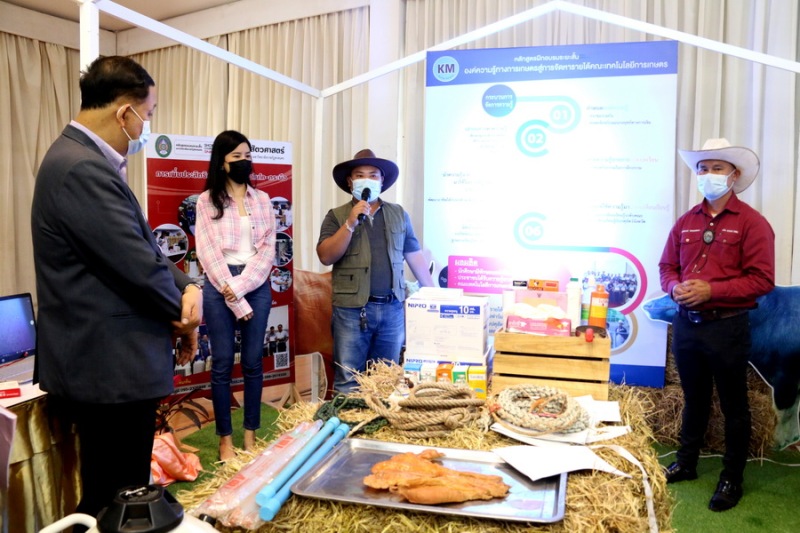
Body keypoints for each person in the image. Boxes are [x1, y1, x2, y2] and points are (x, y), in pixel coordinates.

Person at [30, 56, 202, 525]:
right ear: (124, 112)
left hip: (112, 365)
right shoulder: (79, 169)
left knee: (123, 494)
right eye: (148, 115)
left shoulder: (87, 162)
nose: (147, 126)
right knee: (115, 502)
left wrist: (188, 287)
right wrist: (186, 312)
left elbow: (144, 247)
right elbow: (136, 268)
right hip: (108, 367)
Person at [659, 138, 775, 512]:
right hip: (687, 325)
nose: (708, 175)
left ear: (734, 175)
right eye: (703, 169)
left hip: (727, 328)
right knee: (694, 398)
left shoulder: (753, 223)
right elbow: (667, 267)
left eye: (717, 168)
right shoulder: (685, 222)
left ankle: (732, 478)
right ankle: (687, 462)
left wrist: (712, 290)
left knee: (734, 405)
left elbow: (762, 279)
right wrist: (674, 288)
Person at [317, 149, 435, 393]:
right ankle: (348, 417)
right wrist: (350, 223)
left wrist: (434, 293)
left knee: (386, 379)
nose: (366, 180)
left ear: (382, 181)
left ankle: (378, 417)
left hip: (392, 309)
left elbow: (413, 253)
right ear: (350, 182)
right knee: (349, 380)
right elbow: (326, 256)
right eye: (359, 175)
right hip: (351, 311)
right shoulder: (336, 216)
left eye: (373, 175)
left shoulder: (398, 214)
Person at [195, 130, 276, 460]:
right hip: (219, 284)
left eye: (248, 155)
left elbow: (268, 249)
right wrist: (233, 295)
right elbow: (207, 251)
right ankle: (225, 440)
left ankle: (250, 437)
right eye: (236, 157)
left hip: (255, 284)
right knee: (223, 363)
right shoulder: (206, 201)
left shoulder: (263, 200)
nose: (244, 161)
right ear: (222, 162)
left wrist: (241, 290)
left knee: (254, 361)